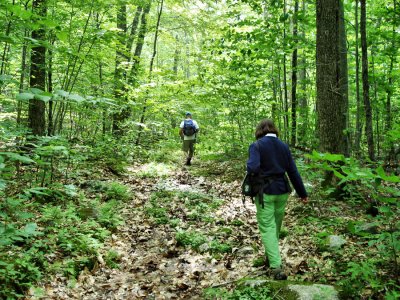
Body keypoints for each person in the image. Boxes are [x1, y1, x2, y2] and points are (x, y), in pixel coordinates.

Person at [246, 119, 308, 280]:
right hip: (282, 191)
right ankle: (270, 256)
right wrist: (302, 193)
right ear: (274, 130)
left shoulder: (256, 146)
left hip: (265, 192)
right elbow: (293, 172)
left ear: (259, 131)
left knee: (267, 227)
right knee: (275, 226)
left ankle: (276, 267)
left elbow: (252, 167)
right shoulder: (284, 146)